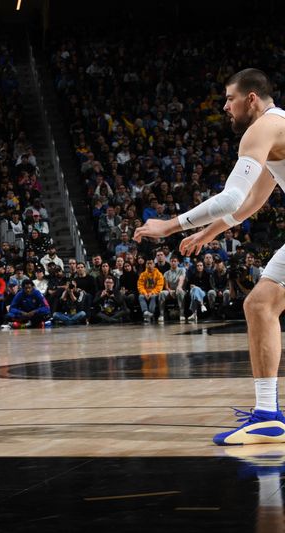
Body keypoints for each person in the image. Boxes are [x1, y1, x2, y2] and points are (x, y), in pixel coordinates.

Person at [134, 68, 285, 445]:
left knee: (261, 305)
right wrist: (210, 231)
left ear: (251, 98)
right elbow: (253, 201)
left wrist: (169, 225)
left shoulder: (262, 128)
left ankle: (268, 413)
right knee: (259, 305)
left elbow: (233, 197)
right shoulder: (276, 131)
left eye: (230, 98)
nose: (225, 106)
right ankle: (267, 415)